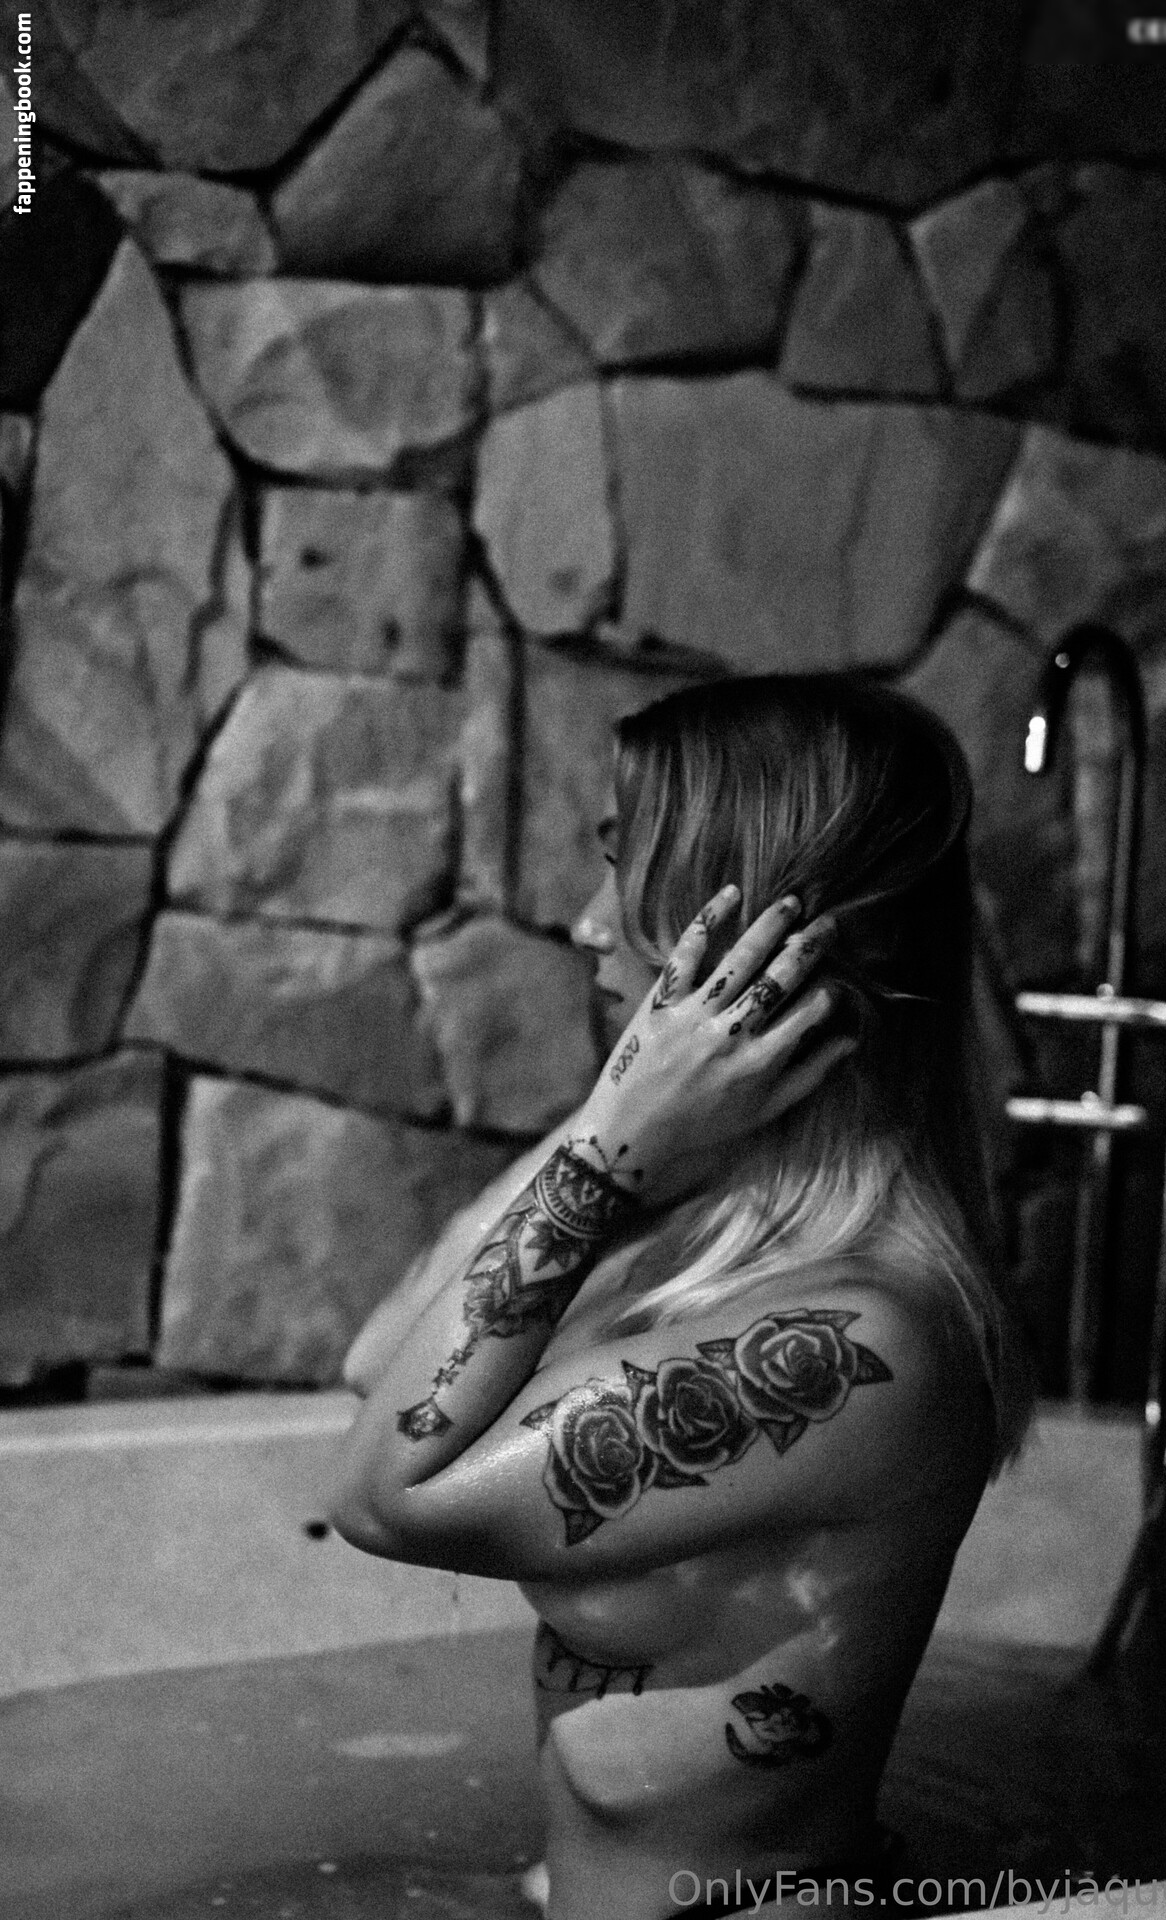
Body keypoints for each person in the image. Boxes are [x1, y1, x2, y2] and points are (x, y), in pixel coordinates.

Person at [332, 674, 1033, 1920]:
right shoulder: (694, 1230)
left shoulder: (863, 1341)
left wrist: (614, 1143)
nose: (583, 921)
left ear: (752, 923)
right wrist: (629, 1117)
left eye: (623, 866)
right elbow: (380, 1364)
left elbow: (384, 1497)